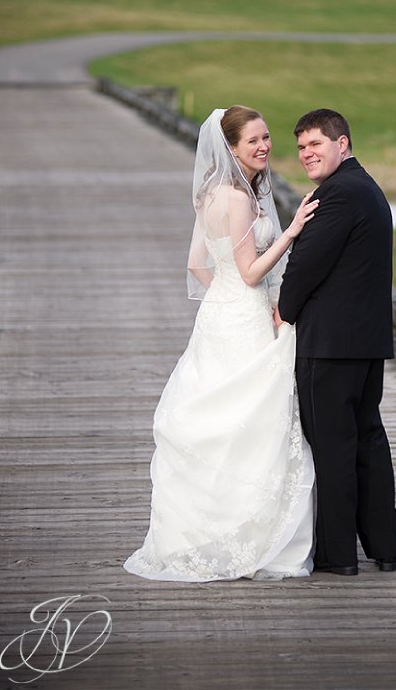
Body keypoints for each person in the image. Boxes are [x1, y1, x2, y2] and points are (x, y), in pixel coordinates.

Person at [125, 106, 319, 582]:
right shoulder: (235, 198)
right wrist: (292, 231)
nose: (264, 146)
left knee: (232, 424)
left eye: (267, 137)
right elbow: (252, 272)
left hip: (222, 316)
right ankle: (251, 536)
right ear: (230, 148)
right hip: (243, 320)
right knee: (252, 425)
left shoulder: (213, 192)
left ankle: (222, 530)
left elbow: (197, 263)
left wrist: (226, 298)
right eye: (253, 140)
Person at [276, 108, 396, 576]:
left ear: (342, 143)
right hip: (366, 343)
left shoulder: (338, 194)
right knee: (368, 439)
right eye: (302, 147)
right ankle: (385, 548)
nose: (307, 153)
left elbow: (307, 264)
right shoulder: (367, 188)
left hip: (329, 346)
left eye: (316, 144)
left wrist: (284, 310)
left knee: (332, 447)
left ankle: (338, 556)